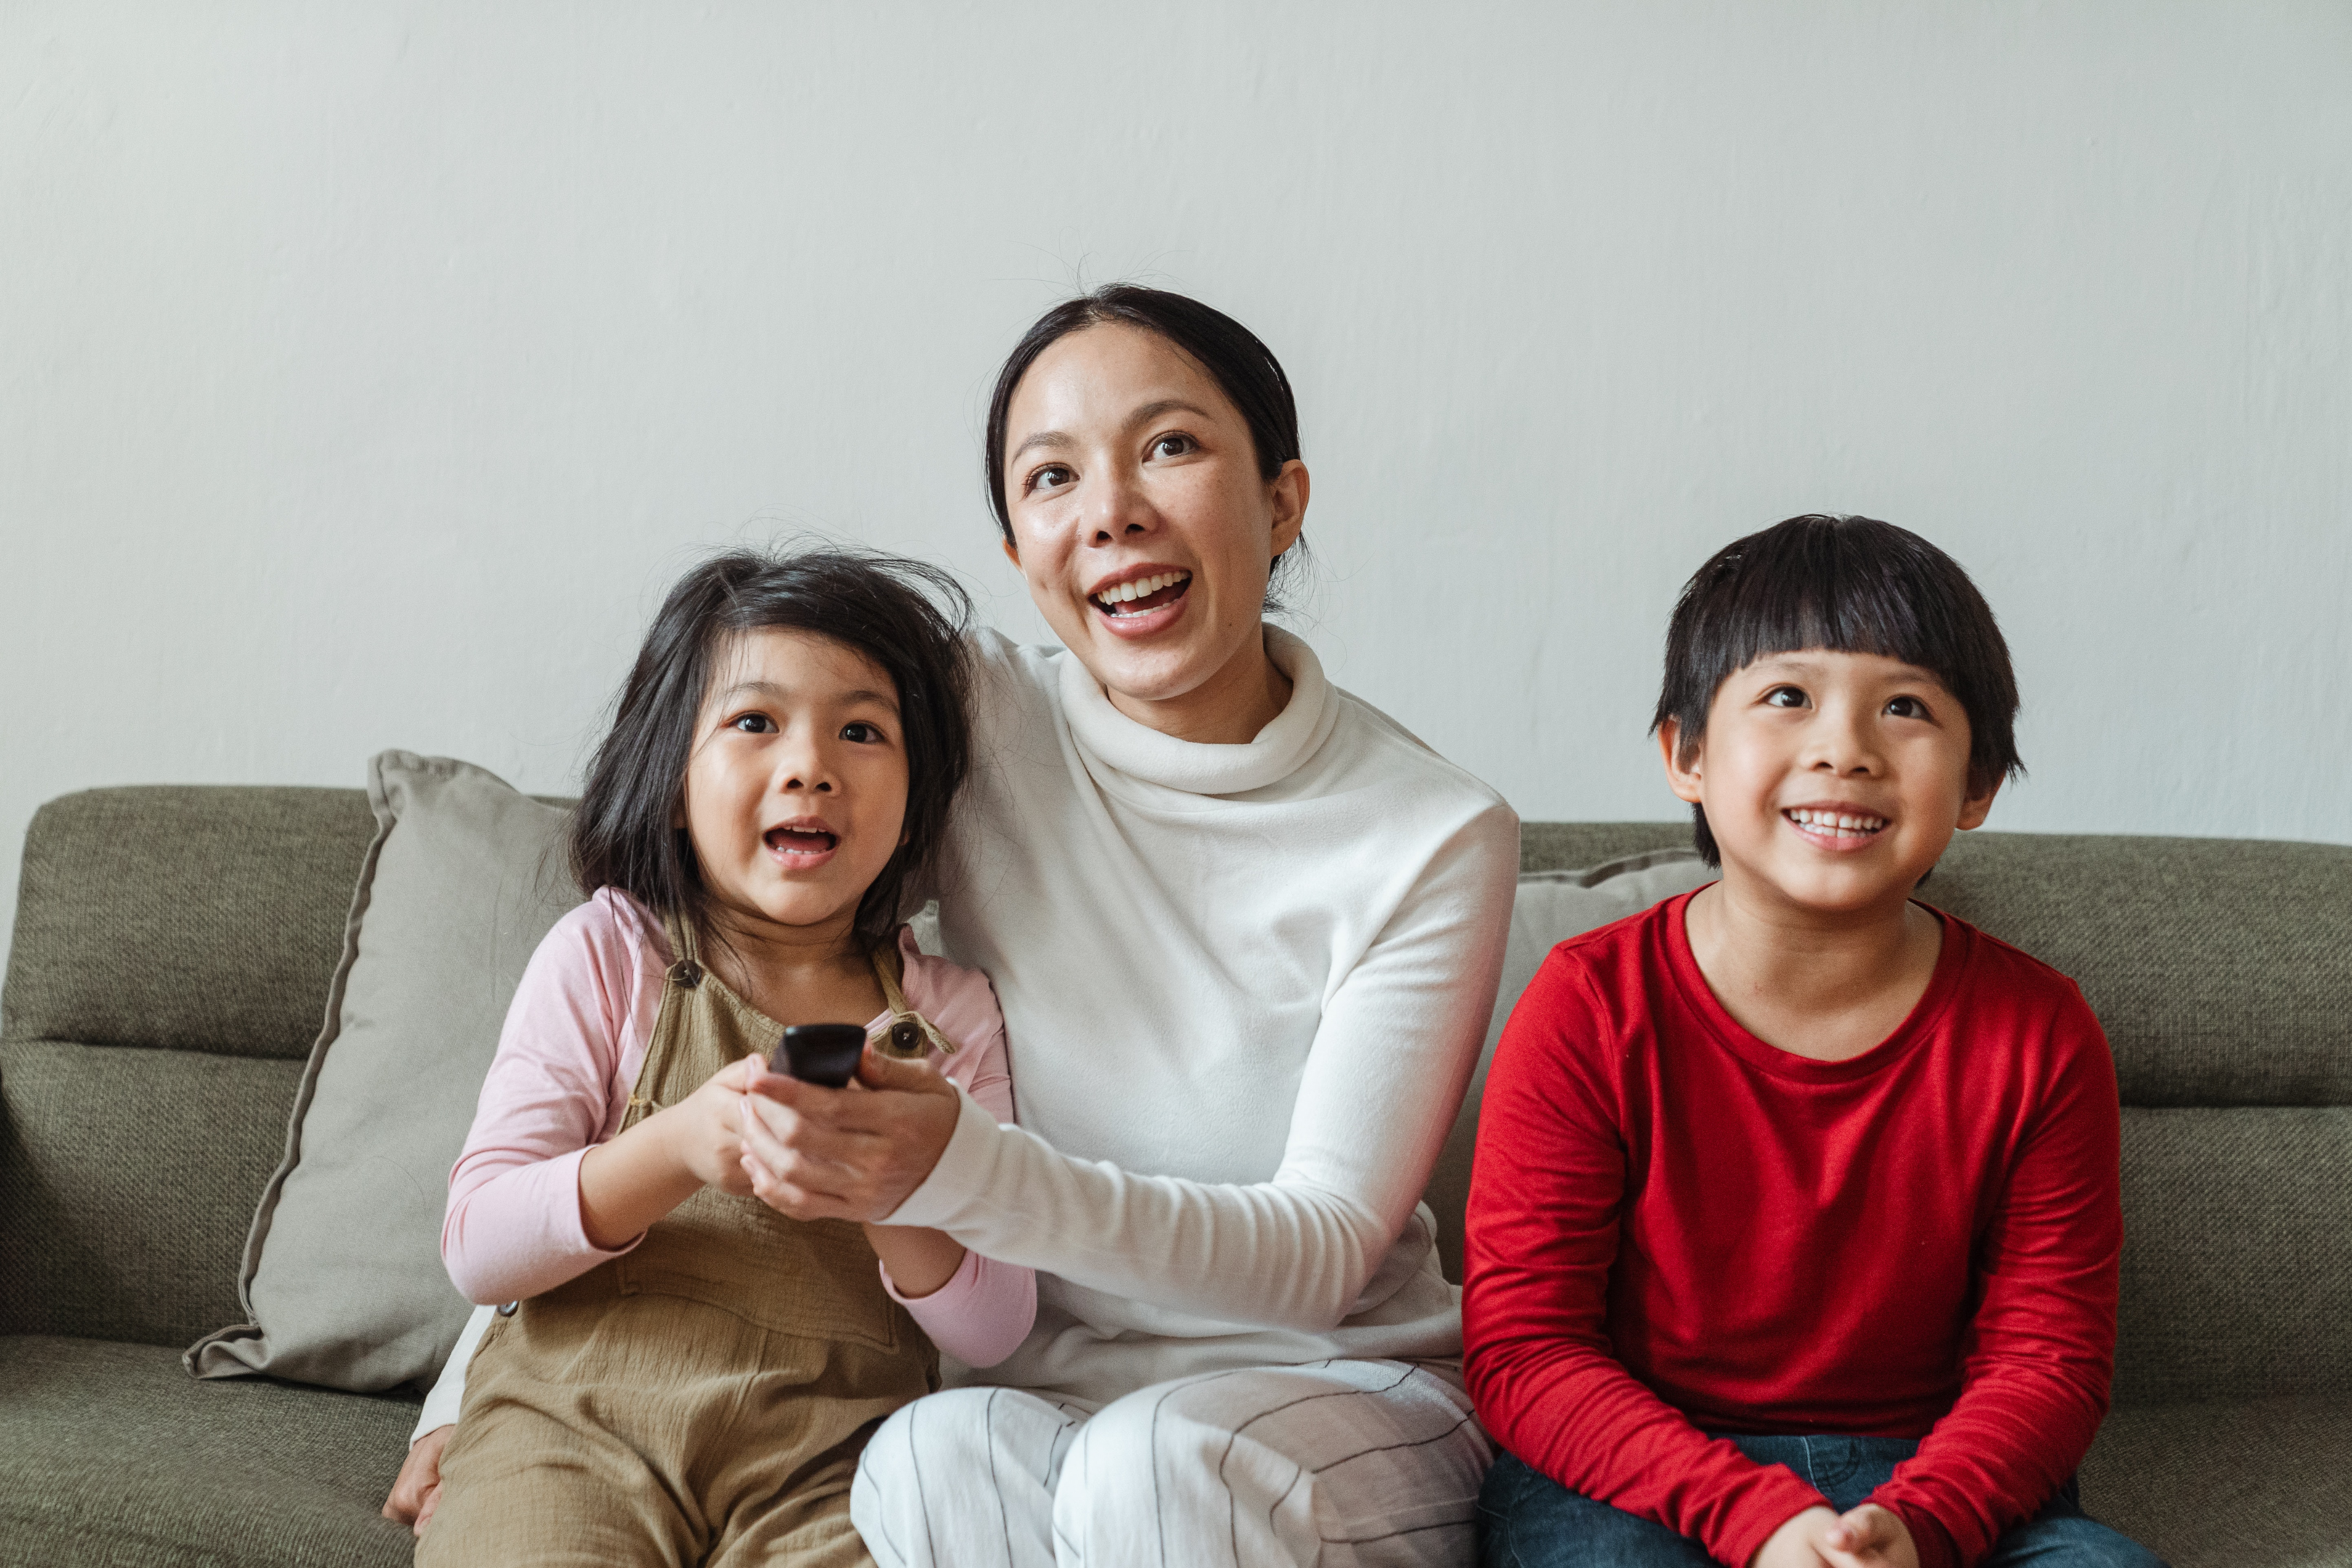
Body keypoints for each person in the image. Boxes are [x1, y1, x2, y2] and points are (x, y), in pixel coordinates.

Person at [391, 286, 1519, 1566]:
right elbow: (681, 970)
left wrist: (944, 1169)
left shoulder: (1433, 830)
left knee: (1148, 1472)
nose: (1112, 513)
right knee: (923, 1459)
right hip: (1046, 1398)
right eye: (1052, 477)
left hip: (1327, 1386)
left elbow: (1319, 1256)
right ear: (1018, 552)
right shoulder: (972, 716)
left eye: (1170, 447)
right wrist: (473, 1396)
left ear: (1281, 500)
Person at [1464, 515, 2161, 1568]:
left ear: (1977, 786)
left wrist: (1915, 1525)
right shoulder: (1587, 1006)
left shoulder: (2039, 1031)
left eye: (1907, 707)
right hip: (1642, 1478)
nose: (1846, 749)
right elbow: (1527, 1349)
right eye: (1788, 697)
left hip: (1930, 1481)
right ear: (1686, 754)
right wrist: (1757, 1520)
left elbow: (2047, 1363)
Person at [407, 548, 1035, 1567]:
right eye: (755, 722)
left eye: (862, 730)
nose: (811, 765)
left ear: (918, 804)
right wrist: (679, 1146)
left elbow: (997, 1325)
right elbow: (480, 1243)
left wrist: (886, 1180)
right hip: (571, 1430)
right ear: (669, 782)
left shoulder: (947, 1013)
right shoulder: (609, 954)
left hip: (836, 1467)